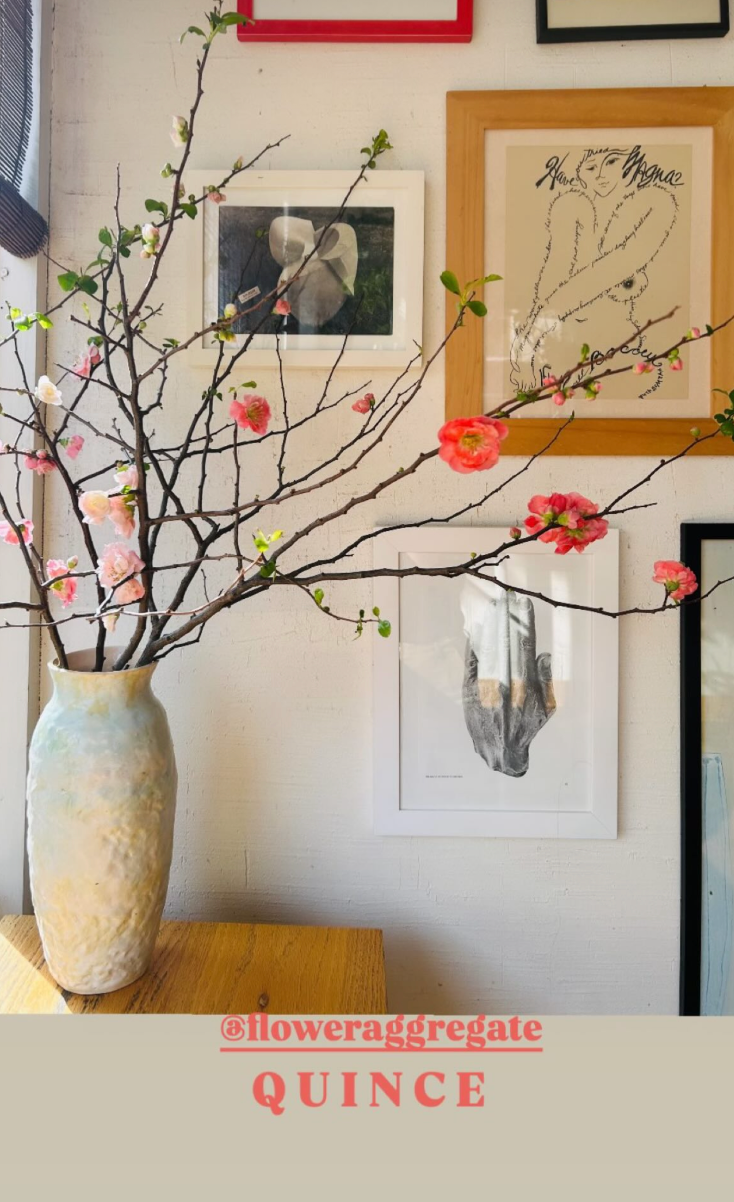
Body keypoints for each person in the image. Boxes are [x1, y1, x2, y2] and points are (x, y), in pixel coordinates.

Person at [510, 146, 679, 392]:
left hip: (615, 338)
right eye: (590, 167)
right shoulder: (573, 207)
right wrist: (535, 332)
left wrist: (534, 331)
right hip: (567, 338)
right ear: (580, 173)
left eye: (611, 161)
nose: (600, 174)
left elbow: (613, 269)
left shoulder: (655, 201)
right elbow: (555, 268)